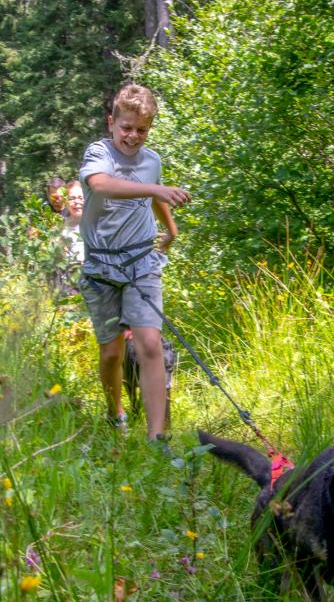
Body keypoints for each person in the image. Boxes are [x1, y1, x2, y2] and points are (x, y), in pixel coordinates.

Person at [77, 83, 191, 442]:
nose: (133, 136)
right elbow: (102, 184)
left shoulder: (151, 160)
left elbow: (154, 192)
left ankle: (158, 437)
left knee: (150, 344)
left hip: (142, 262)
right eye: (126, 127)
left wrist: (170, 230)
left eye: (141, 130)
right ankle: (115, 413)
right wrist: (156, 190)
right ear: (112, 123)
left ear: (150, 129)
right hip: (101, 266)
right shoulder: (99, 153)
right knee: (111, 352)